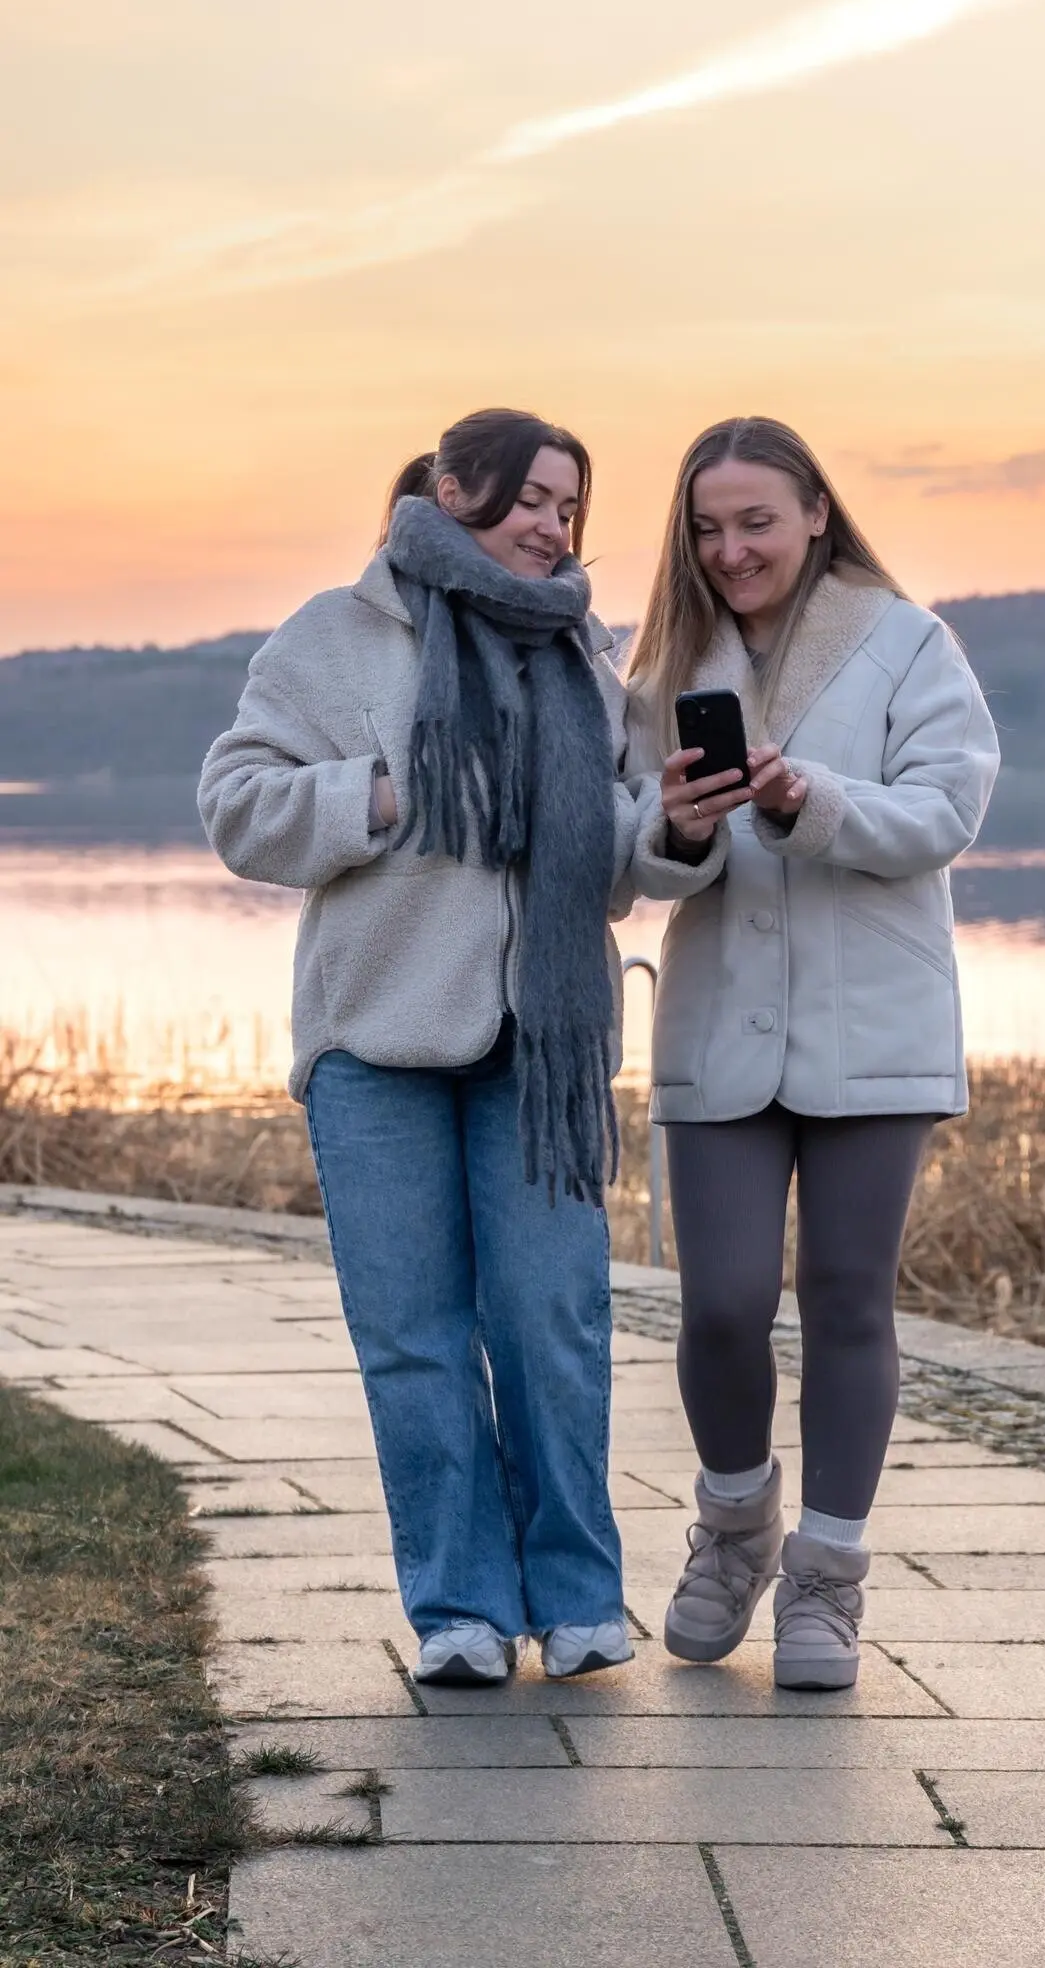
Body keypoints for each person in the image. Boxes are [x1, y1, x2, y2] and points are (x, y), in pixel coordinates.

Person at [199, 409, 745, 1686]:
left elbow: (607, 861)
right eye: (531, 499)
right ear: (451, 490)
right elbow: (236, 807)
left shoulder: (582, 657)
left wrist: (668, 827)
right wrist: (378, 794)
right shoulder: (334, 638)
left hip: (541, 1049)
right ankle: (457, 1608)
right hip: (373, 1039)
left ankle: (577, 1596)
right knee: (413, 1332)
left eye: (570, 506)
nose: (554, 526)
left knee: (551, 1319)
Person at [626, 415, 1000, 1690]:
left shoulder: (907, 641)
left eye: (755, 521)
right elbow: (625, 851)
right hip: (720, 1015)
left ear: (816, 514)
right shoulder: (666, 659)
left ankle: (827, 1579)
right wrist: (673, 829)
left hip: (873, 1021)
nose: (729, 548)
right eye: (707, 526)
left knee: (848, 1295)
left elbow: (947, 809)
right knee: (722, 1302)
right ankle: (734, 1530)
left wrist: (808, 800)